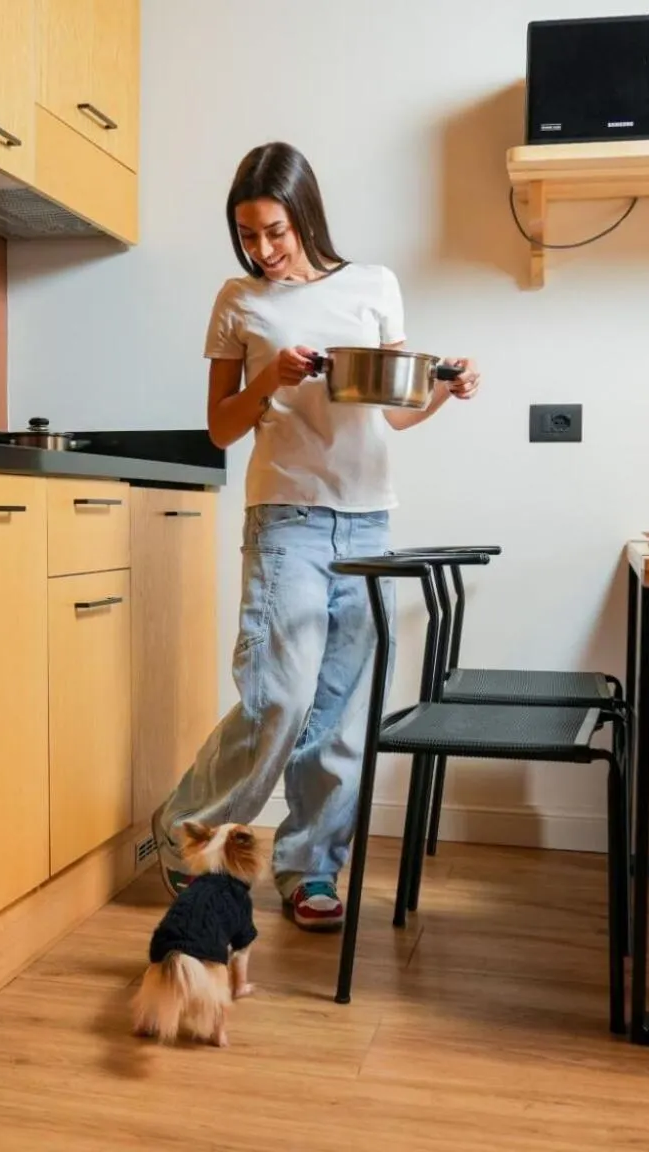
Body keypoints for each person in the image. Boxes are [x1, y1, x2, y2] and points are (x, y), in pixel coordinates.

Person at [151, 141, 481, 931]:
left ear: (303, 214)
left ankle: (309, 867)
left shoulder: (374, 286)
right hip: (286, 517)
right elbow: (220, 427)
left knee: (337, 711)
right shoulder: (239, 300)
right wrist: (271, 378)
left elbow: (392, 411)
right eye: (247, 234)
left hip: (367, 517)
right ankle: (188, 835)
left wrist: (446, 389)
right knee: (281, 699)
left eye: (273, 230)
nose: (262, 249)